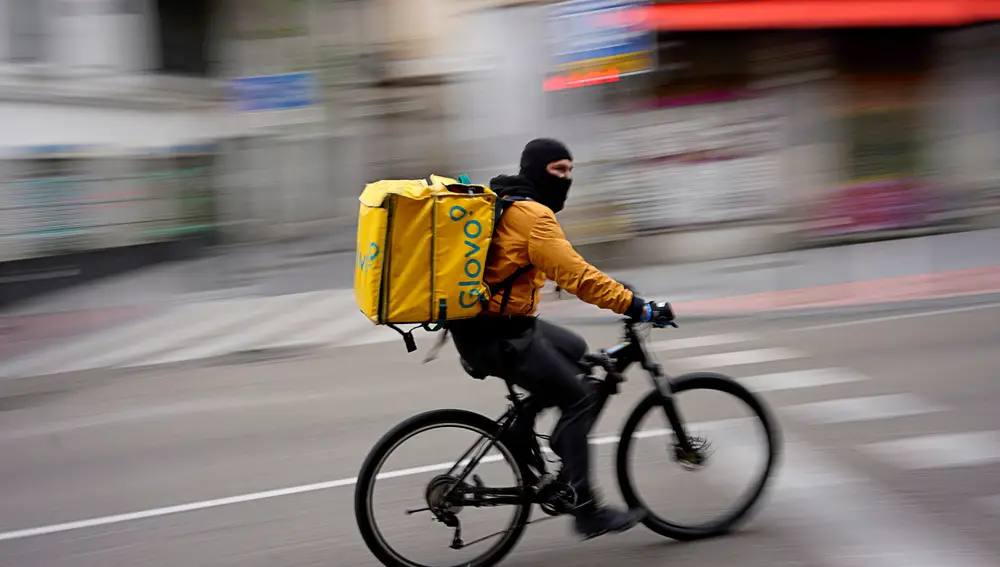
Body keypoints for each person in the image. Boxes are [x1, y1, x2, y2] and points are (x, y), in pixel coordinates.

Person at [449, 138, 669, 540]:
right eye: (558, 170)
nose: (566, 179)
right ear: (535, 169)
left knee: (575, 351)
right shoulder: (533, 216)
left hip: (489, 327)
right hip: (501, 337)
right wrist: (638, 306)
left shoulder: (508, 201)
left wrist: (616, 289)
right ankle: (586, 508)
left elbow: (552, 264)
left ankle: (520, 428)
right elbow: (577, 277)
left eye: (570, 171)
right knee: (581, 396)